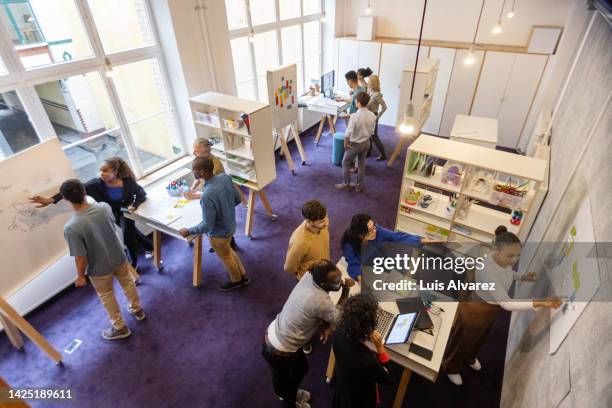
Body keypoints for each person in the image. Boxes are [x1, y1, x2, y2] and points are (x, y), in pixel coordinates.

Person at [443, 226, 562, 386]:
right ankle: (451, 367)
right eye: (510, 256)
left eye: (517, 256)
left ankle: (470, 357)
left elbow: (509, 273)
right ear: (497, 250)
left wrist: (524, 277)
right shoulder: (488, 270)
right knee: (463, 339)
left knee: (480, 337)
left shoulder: (502, 261)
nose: (514, 260)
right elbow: (506, 303)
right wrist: (540, 302)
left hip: (491, 308)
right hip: (477, 309)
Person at [29, 157, 152, 269]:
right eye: (100, 170)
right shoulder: (95, 185)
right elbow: (72, 190)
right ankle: (150, 247)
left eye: (105, 170)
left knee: (128, 236)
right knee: (133, 233)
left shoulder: (128, 182)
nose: (101, 173)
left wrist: (134, 206)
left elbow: (141, 195)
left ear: (115, 172)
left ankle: (132, 265)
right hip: (112, 213)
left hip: (127, 212)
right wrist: (50, 200)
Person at [60, 179, 146, 340]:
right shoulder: (104, 207)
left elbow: (80, 257)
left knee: (107, 295)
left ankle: (120, 327)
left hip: (99, 268)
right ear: (85, 192)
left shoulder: (71, 227)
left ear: (65, 199)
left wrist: (80, 277)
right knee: (128, 282)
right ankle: (137, 310)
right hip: (119, 257)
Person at [262, 260, 355, 408]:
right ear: (324, 285)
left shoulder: (309, 276)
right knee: (291, 378)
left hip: (274, 334)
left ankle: (286, 393)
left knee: (297, 370)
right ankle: (289, 401)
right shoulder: (321, 301)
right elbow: (338, 320)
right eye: (336, 282)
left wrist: (325, 325)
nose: (340, 282)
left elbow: (316, 313)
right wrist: (345, 291)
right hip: (281, 349)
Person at [179, 157, 248, 291]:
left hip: (219, 234)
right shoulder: (225, 177)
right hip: (231, 225)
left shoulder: (207, 196)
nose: (193, 173)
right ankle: (243, 275)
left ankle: (236, 280)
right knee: (229, 251)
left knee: (226, 257)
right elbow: (238, 199)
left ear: (203, 172)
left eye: (195, 170)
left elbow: (207, 226)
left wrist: (189, 231)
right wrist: (225, 209)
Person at [341, 213, 442, 282]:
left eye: (374, 227)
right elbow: (354, 266)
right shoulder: (349, 245)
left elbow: (398, 237)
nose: (375, 231)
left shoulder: (377, 231)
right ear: (360, 234)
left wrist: (424, 240)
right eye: (370, 230)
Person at [332, 294, 392, 408]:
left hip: (343, 388)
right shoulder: (367, 360)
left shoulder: (339, 331)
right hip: (360, 398)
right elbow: (388, 379)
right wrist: (380, 348)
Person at [185, 136, 240, 252]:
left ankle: (229, 243)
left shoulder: (215, 165)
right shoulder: (200, 159)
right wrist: (192, 188)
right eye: (195, 152)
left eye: (199, 152)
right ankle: (217, 242)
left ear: (207, 152)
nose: (196, 154)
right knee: (210, 218)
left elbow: (213, 193)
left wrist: (194, 196)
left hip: (217, 195)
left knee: (219, 220)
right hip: (208, 192)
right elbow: (198, 177)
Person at [335, 92, 376, 192]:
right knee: (361, 164)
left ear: (357, 102)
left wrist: (346, 142)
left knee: (345, 162)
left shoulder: (354, 116)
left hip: (355, 144)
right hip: (366, 143)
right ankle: (359, 186)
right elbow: (372, 131)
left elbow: (348, 132)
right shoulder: (372, 115)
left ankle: (346, 184)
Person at [284, 200, 330, 280]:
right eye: (321, 222)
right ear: (309, 221)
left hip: (324, 269)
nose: (326, 223)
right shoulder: (299, 243)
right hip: (310, 279)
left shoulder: (322, 226)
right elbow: (289, 268)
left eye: (326, 217)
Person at [366, 74, 387, 161]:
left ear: (373, 83)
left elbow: (385, 107)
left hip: (373, 116)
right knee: (368, 135)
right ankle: (368, 151)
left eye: (369, 81)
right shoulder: (369, 91)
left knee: (374, 136)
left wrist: (378, 116)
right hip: (367, 115)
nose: (368, 83)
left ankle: (383, 155)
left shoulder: (378, 94)